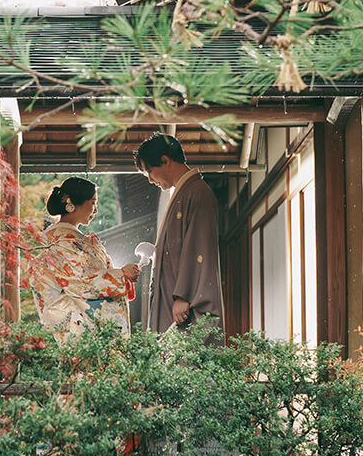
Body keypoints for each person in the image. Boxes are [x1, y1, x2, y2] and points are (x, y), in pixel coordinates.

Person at [29, 176, 140, 344]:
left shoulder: (73, 238)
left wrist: (122, 274)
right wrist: (122, 275)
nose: (95, 210)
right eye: (93, 202)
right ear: (74, 204)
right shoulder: (61, 240)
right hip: (76, 320)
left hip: (82, 317)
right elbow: (79, 282)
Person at [135, 133, 224, 335]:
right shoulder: (184, 192)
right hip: (173, 294)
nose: (150, 179)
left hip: (183, 298)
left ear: (165, 160)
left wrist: (183, 295)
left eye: (150, 171)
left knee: (185, 357)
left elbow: (198, 247)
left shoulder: (197, 192)